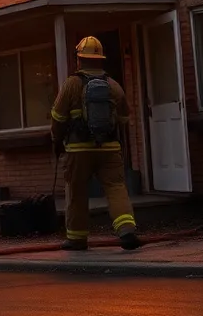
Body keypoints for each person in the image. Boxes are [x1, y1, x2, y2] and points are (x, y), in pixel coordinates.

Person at [50, 36, 140, 251]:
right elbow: (125, 119)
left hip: (78, 150)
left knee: (77, 190)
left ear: (79, 60)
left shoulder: (72, 84)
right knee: (116, 187)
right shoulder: (113, 85)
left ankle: (77, 238)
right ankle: (127, 230)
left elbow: (57, 117)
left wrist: (56, 141)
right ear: (100, 60)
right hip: (109, 148)